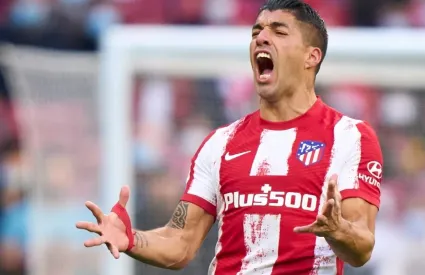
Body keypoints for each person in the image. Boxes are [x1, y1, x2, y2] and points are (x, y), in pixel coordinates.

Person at [75, 0, 383, 274]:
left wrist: (338, 230)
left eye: (279, 31)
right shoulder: (220, 143)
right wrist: (132, 239)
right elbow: (179, 243)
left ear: (311, 56)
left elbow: (362, 247)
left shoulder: (349, 137)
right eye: (256, 31)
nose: (261, 37)